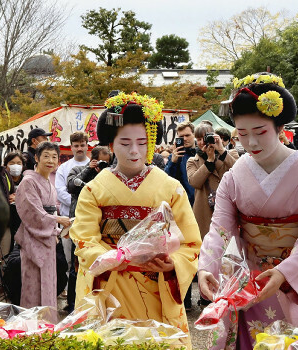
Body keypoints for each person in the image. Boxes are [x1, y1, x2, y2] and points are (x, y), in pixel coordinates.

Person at [198, 73, 298, 349]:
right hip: (255, 284)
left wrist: (285, 272)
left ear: (279, 126)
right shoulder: (234, 177)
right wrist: (206, 267)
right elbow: (219, 229)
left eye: (260, 132)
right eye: (242, 134)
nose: (251, 143)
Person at [69, 92, 201, 348]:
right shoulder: (94, 190)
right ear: (110, 145)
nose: (134, 151)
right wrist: (110, 258)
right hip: (111, 284)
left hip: (156, 284)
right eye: (125, 143)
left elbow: (191, 242)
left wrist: (172, 263)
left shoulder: (171, 188)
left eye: (142, 143)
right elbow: (84, 238)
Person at [14, 141, 72, 321]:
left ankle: (47, 325)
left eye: (54, 157)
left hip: (48, 237)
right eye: (46, 156)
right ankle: (31, 327)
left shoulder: (49, 183)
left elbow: (49, 210)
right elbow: (33, 213)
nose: (50, 160)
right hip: (33, 237)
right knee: (33, 282)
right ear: (36, 158)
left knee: (48, 282)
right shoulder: (28, 182)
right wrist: (57, 221)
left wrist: (55, 228)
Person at [63, 145, 112, 313]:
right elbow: (71, 187)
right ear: (93, 159)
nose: (103, 165)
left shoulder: (110, 174)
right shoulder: (78, 170)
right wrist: (88, 169)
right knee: (76, 265)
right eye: (100, 162)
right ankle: (72, 305)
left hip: (103, 226)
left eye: (107, 162)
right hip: (80, 223)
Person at [165, 121, 198, 310]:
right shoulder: (174, 157)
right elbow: (166, 180)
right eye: (181, 137)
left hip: (198, 208)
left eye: (187, 136)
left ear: (193, 135)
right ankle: (184, 300)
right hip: (179, 213)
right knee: (180, 255)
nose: (184, 139)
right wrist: (173, 161)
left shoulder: (200, 152)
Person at [54, 131, 90, 303]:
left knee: (87, 258)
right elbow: (61, 192)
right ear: (71, 147)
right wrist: (79, 203)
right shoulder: (64, 168)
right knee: (69, 258)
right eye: (76, 145)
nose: (80, 148)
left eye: (82, 145)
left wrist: (86, 206)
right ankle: (70, 294)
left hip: (90, 219)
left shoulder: (94, 165)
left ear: (87, 146)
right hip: (68, 219)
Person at [187, 123, 238, 239]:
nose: (202, 142)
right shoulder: (192, 161)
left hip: (226, 209)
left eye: (205, 138)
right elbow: (194, 182)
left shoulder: (229, 154)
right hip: (203, 212)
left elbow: (240, 172)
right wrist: (209, 161)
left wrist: (221, 150)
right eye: (199, 139)